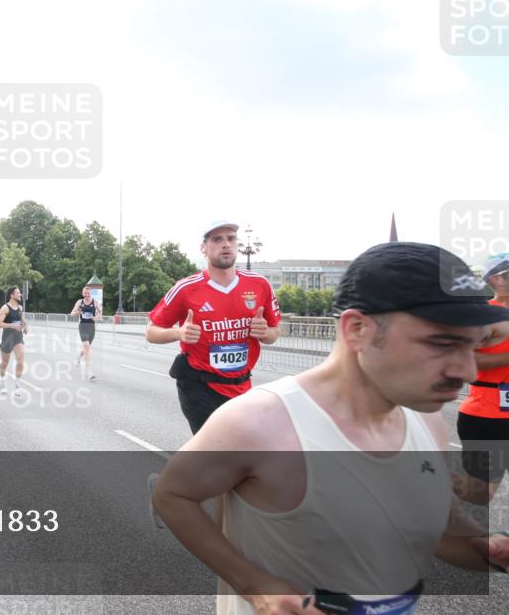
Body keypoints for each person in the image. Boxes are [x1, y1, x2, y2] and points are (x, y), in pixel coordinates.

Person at [152, 242, 509, 614]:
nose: (468, 371)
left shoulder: (428, 422)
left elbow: (436, 521)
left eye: (472, 346)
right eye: (441, 343)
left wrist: (488, 547)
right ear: (357, 330)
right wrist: (255, 585)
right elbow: (173, 495)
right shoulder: (259, 422)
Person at [147, 220, 282, 434]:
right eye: (217, 239)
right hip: (199, 386)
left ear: (237, 244)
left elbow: (275, 332)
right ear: (204, 248)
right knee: (216, 451)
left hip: (242, 386)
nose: (225, 244)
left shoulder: (260, 285)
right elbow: (151, 333)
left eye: (230, 238)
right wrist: (178, 333)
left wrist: (266, 333)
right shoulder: (186, 288)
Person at [455, 252, 509, 505]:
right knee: (479, 497)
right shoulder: (483, 315)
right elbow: (463, 360)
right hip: (487, 417)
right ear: (495, 280)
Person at [0, 286, 28, 395]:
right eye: (18, 293)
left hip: (18, 338)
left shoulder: (20, 307)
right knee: (5, 363)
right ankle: (2, 381)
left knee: (21, 361)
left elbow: (22, 320)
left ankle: (17, 385)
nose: (20, 295)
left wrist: (25, 326)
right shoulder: (5, 308)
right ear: (12, 295)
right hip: (7, 339)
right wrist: (13, 325)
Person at [70, 285, 102, 381]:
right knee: (87, 346)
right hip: (83, 326)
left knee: (86, 347)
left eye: (88, 293)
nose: (86, 295)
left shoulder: (95, 302)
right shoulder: (79, 302)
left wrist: (96, 318)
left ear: (90, 293)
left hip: (91, 327)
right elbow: (72, 313)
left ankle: (78, 355)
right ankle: (89, 371)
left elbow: (100, 312)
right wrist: (77, 313)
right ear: (82, 293)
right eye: (85, 293)